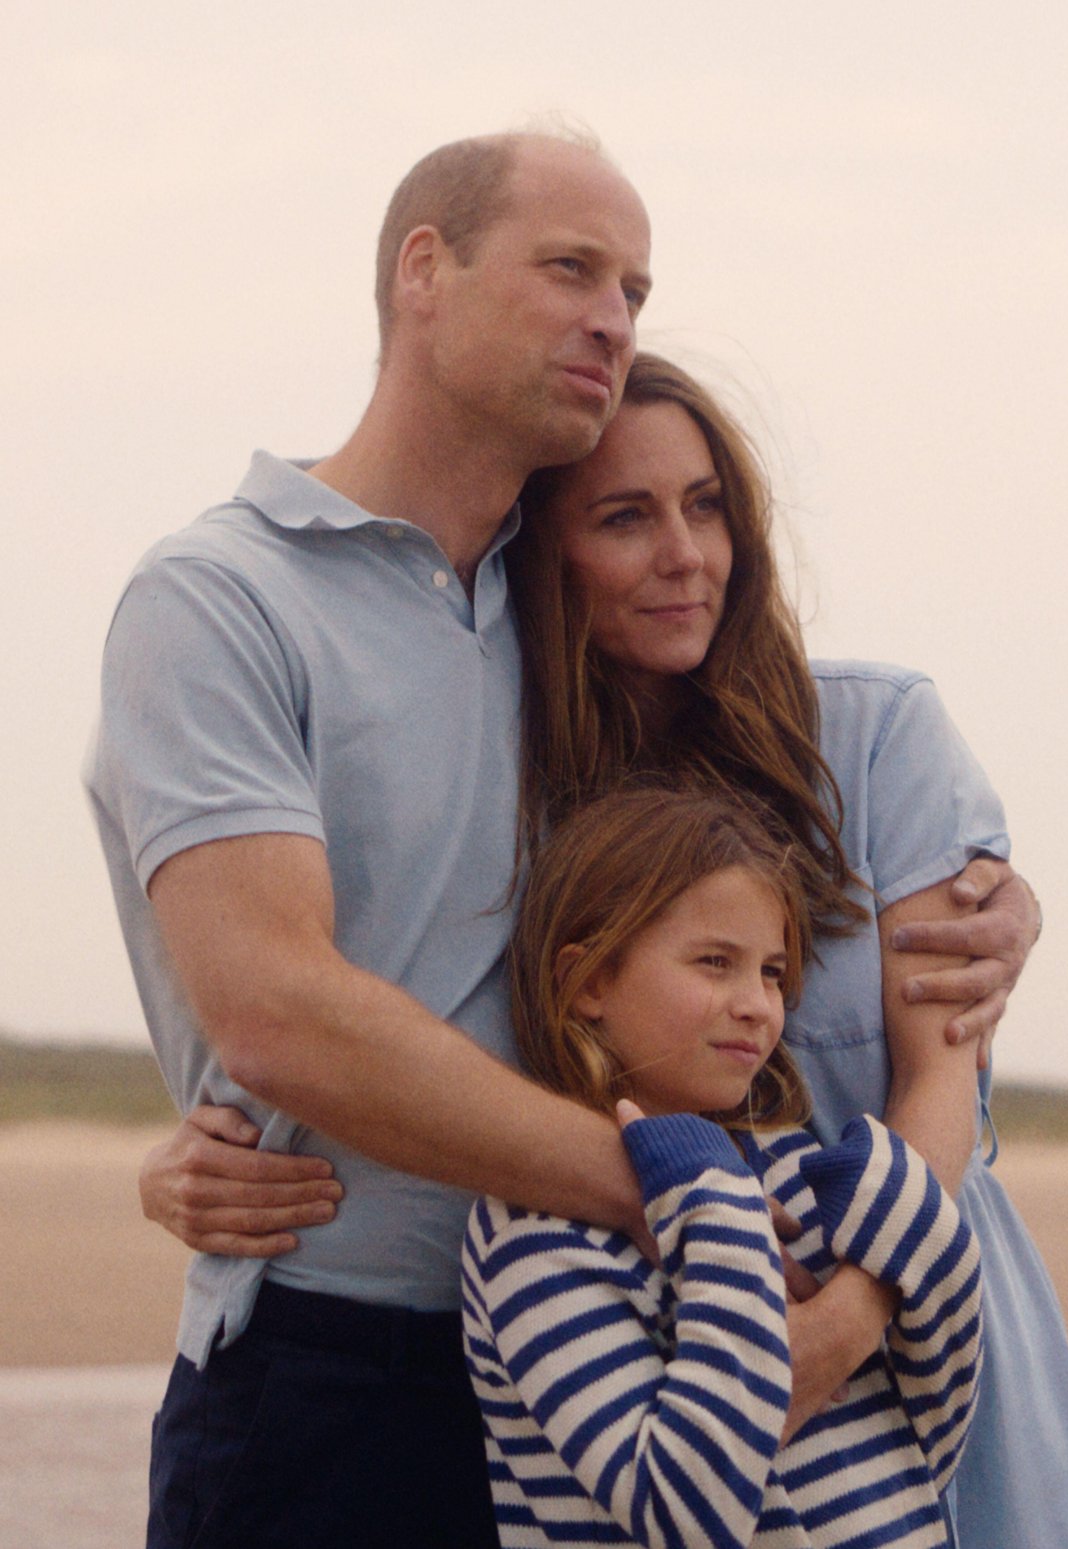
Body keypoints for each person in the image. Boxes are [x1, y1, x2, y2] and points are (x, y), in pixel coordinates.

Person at [147, 352, 1068, 1547]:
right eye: (625, 517)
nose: (684, 553)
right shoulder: (530, 807)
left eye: (706, 506)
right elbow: (422, 1022)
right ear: (543, 557)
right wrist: (200, 1145)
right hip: (658, 1383)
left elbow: (942, 1085)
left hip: (913, 1354)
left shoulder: (879, 739)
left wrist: (847, 1317)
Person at [86, 128, 665, 1549]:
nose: (615, 318)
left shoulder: (578, 610)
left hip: (591, 1365)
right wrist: (645, 1185)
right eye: (573, 268)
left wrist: (979, 884)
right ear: (425, 269)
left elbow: (794, 786)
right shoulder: (219, 598)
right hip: (329, 1375)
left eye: (638, 293)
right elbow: (280, 1015)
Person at [463, 785, 983, 1548]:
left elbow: (932, 1429)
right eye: (716, 962)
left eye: (772, 972)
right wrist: (713, 1203)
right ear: (590, 981)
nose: (758, 1004)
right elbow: (683, 1511)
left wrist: (913, 1218)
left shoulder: (793, 1166)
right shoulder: (533, 1231)